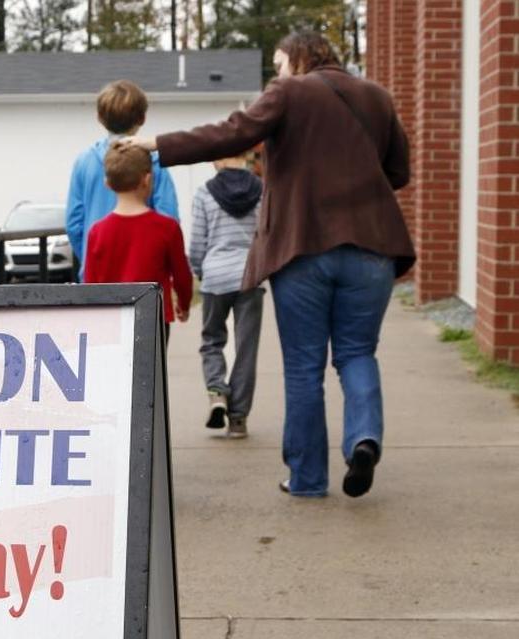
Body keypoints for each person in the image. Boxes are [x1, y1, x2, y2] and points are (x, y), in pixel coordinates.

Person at [133, 31, 415, 498]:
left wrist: (155, 144)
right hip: (372, 250)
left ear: (300, 59)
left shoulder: (290, 92)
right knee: (357, 354)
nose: (277, 73)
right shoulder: (377, 96)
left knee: (304, 368)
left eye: (280, 62)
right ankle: (364, 439)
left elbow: (231, 133)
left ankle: (307, 479)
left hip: (304, 248)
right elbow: (399, 172)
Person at [66, 80, 179, 281]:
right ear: (142, 118)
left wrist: (90, 256)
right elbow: (169, 219)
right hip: (146, 276)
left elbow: (74, 224)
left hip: (97, 274)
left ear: (99, 118)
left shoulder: (84, 162)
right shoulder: (154, 163)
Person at [83, 141, 192, 338]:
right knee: (152, 369)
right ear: (147, 179)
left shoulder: (96, 232)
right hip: (154, 318)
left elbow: (91, 284)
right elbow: (182, 275)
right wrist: (183, 304)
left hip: (111, 321)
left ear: (107, 183)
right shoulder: (168, 228)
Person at [189, 152, 264, 439]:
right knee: (246, 348)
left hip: (216, 276)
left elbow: (197, 241)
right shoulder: (262, 190)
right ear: (246, 156)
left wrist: (200, 269)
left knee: (212, 340)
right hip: (249, 275)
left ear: (216, 161)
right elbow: (266, 234)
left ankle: (217, 391)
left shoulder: (204, 193)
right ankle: (238, 419)